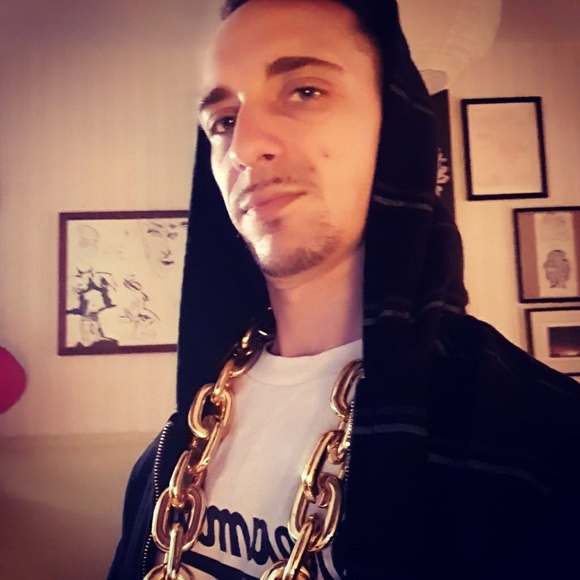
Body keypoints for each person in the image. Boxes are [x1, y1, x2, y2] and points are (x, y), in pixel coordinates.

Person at [108, 1, 580, 578]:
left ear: (397, 132)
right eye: (224, 120)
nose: (245, 146)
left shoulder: (541, 448)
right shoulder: (169, 456)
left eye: (305, 91)